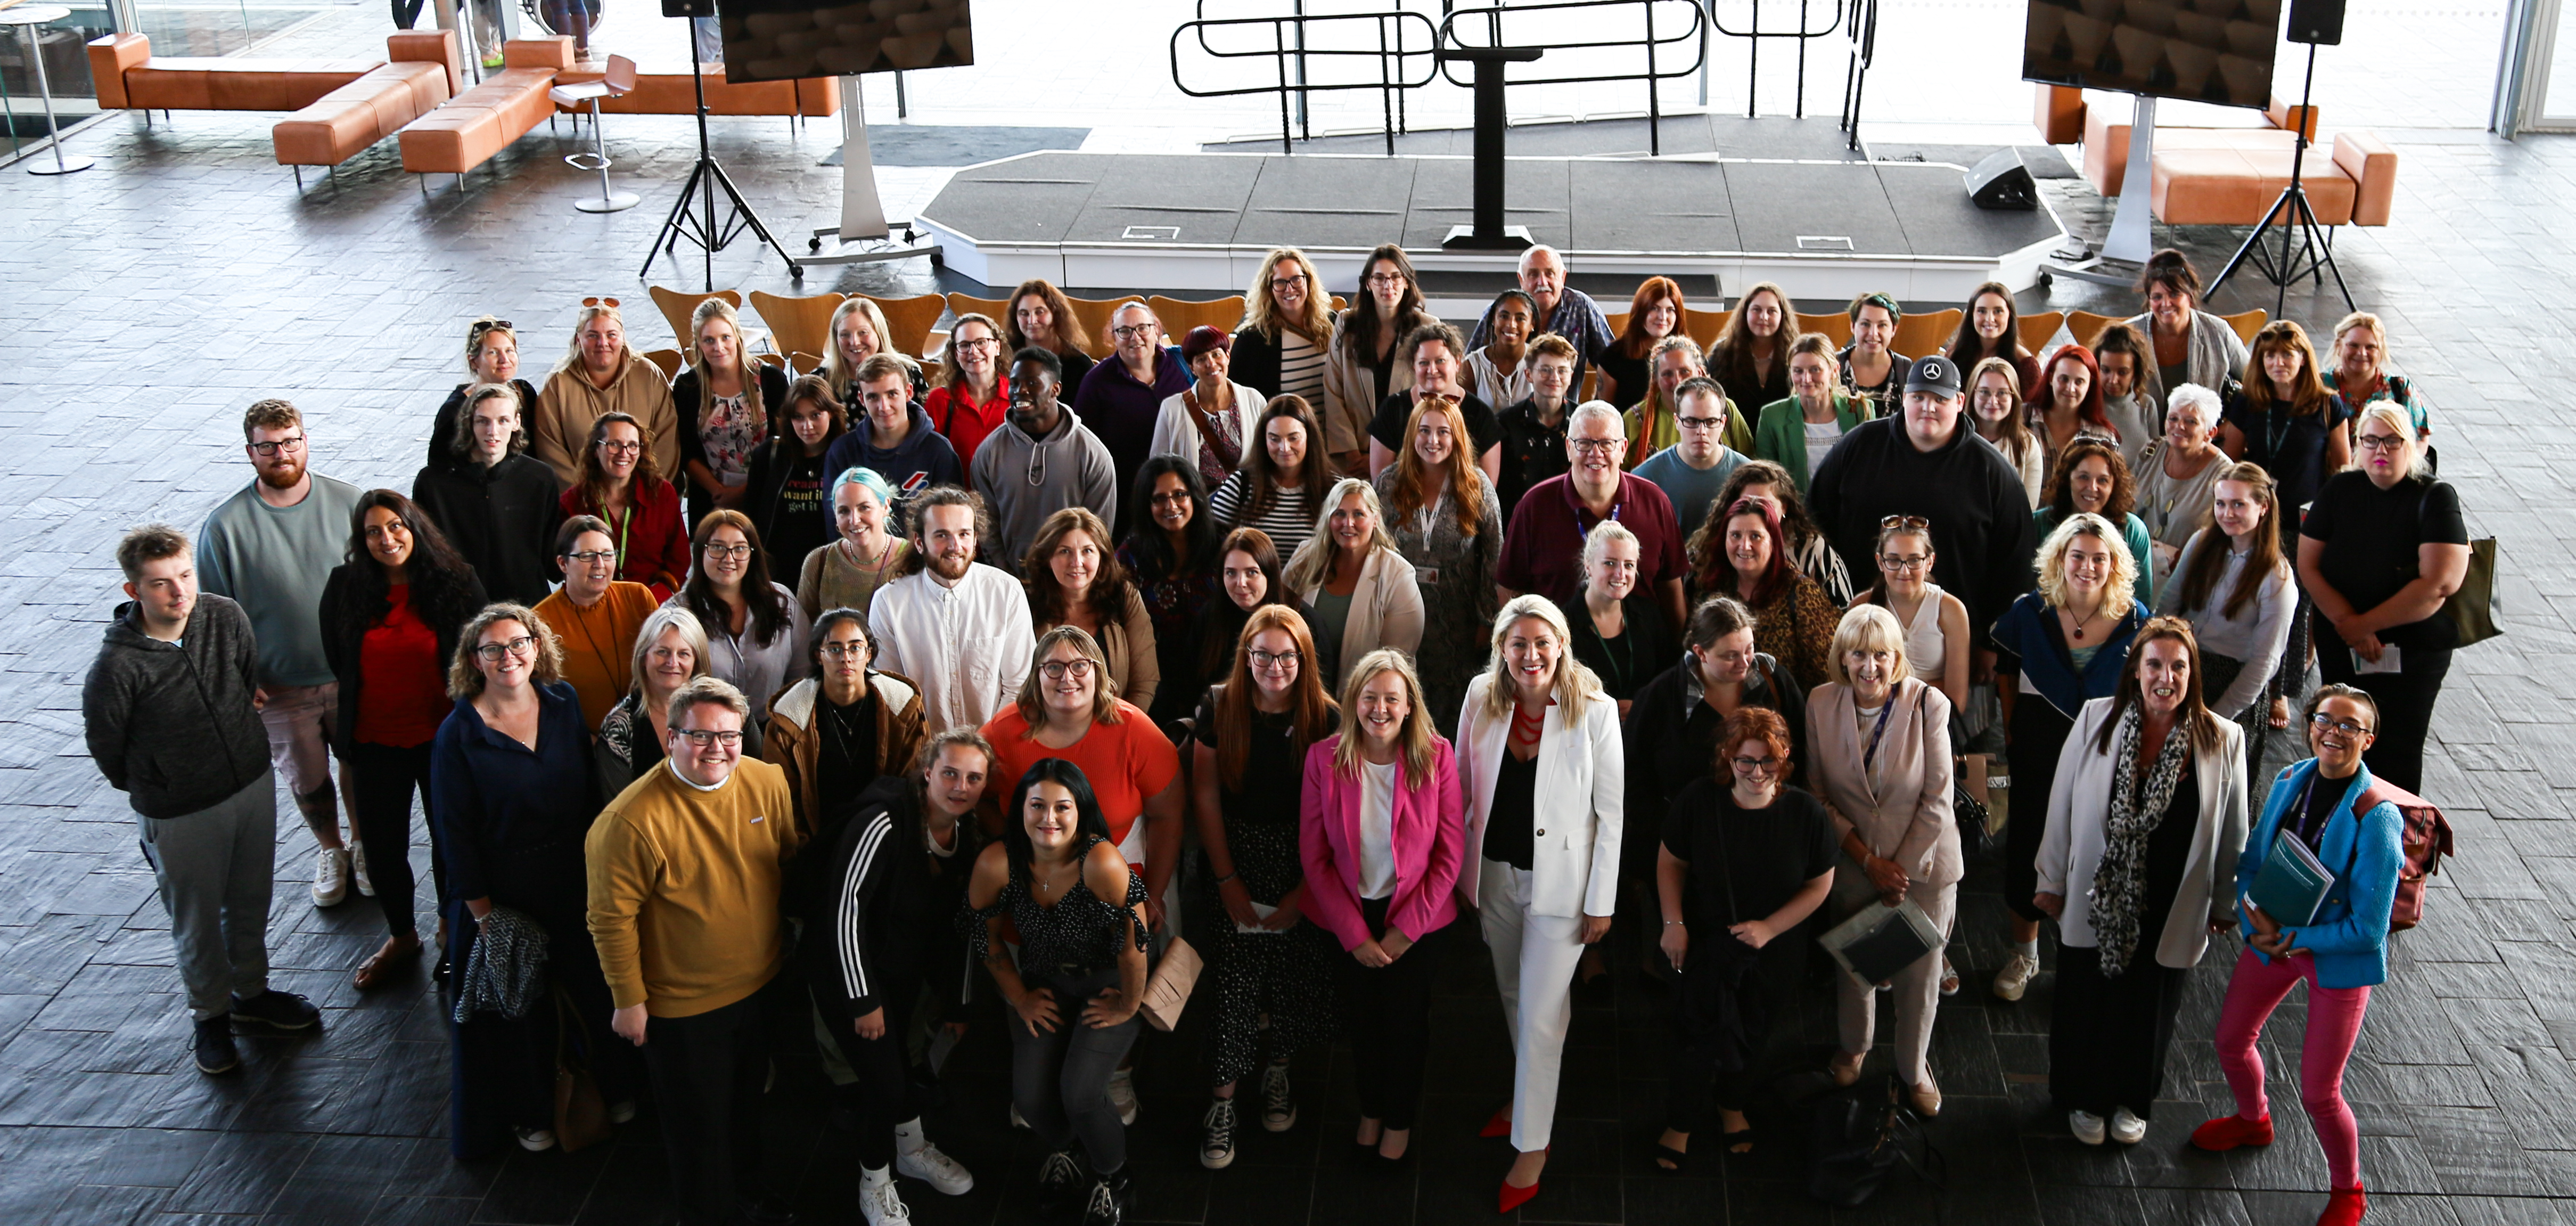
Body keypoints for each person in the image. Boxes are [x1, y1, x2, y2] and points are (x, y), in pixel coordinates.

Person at [84, 525, 321, 1076]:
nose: (179, 593)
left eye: (185, 576)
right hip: (180, 810)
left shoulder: (224, 617)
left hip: (249, 784)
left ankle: (251, 995)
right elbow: (108, 747)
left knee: (249, 898)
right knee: (196, 921)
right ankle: (209, 1017)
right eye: (161, 584)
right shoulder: (117, 668)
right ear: (133, 591)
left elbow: (242, 681)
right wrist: (164, 782)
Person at [586, 677, 799, 1226]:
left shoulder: (767, 781)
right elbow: (610, 920)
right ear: (670, 737)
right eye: (700, 735)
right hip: (682, 1007)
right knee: (696, 1129)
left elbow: (785, 860)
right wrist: (628, 1000)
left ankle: (748, 1191)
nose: (717, 749)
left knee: (748, 1107)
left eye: (729, 735)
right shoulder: (627, 822)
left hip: (761, 982)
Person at [2189, 684, 2402, 1226]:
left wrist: (2292, 940)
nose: (2332, 730)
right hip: (2276, 937)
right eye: (2323, 718)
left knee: (2318, 1091)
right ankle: (2252, 1119)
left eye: (2348, 725)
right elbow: (2252, 862)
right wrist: (2247, 916)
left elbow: (2367, 930)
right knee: (2230, 1041)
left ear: (2367, 739)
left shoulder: (2377, 817)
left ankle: (2347, 1187)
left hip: (2330, 953)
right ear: (2310, 724)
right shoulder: (2290, 778)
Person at [2034, 617, 2249, 1147]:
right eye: (2154, 663)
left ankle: (2132, 1098)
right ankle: (2081, 1096)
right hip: (2097, 893)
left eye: (2178, 666)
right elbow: (2060, 805)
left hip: (2173, 900)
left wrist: (2225, 901)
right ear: (2135, 669)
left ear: (2192, 674)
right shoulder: (2093, 720)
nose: (2166, 676)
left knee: (2148, 1006)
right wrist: (2049, 878)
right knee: (2086, 996)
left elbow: (2233, 830)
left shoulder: (2222, 739)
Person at [432, 604, 635, 1156]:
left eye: (518, 643)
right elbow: (454, 832)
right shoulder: (458, 734)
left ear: (537, 645)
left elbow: (591, 793)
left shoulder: (562, 701)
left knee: (596, 988)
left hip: (574, 876)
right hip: (504, 893)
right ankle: (530, 1112)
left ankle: (613, 1087)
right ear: (474, 660)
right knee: (521, 1011)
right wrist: (483, 915)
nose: (508, 657)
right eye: (493, 648)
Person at [1456, 595, 1623, 1212]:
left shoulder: (1596, 709)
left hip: (1563, 888)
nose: (1530, 656)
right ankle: (1528, 1092)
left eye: (1541, 643)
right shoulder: (1480, 696)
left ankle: (1532, 1144)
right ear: (1501, 647)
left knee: (1542, 1014)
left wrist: (1600, 899)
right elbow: (1458, 783)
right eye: (1517, 644)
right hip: (1494, 875)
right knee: (1510, 995)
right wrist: (1459, 874)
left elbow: (1612, 814)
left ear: (1560, 645)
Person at [799, 730, 988, 1223]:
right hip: (847, 968)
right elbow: (843, 911)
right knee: (881, 1083)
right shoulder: (883, 821)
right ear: (928, 772)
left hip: (898, 968)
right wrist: (863, 999)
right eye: (949, 772)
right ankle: (875, 1182)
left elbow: (966, 926)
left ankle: (912, 1149)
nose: (960, 786)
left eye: (974, 778)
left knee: (900, 1069)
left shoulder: (967, 837)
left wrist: (959, 1005)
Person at [962, 757, 1151, 1223]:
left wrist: (1128, 1003)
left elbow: (1136, 945)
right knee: (1029, 1100)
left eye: (1062, 807)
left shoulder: (1101, 861)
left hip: (1107, 981)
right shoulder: (998, 861)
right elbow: (983, 938)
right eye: (1037, 806)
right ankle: (1067, 1151)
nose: (1049, 819)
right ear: (1020, 811)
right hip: (1043, 981)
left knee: (1081, 1093)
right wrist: (1019, 995)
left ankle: (1114, 1176)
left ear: (1080, 811)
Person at [1188, 606, 1343, 1169]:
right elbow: (1204, 796)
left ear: (1303, 660)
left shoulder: (1326, 717)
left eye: (1285, 656)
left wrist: (1305, 889)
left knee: (1292, 973)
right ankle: (1222, 1102)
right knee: (1232, 981)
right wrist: (1227, 879)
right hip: (1234, 852)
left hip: (1302, 860)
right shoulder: (1216, 706)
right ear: (1244, 656)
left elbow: (1334, 813)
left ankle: (1277, 1069)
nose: (1273, 666)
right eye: (1261, 654)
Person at [197, 398, 366, 905]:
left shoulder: (350, 504)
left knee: (357, 761)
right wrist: (241, 681)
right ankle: (331, 848)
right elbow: (217, 619)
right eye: (268, 446)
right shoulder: (225, 528)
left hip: (350, 675)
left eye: (290, 441)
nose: (281, 454)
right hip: (280, 687)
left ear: (305, 441)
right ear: (251, 453)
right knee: (307, 777)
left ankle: (363, 846)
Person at [1299, 646, 1463, 1166]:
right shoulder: (1323, 758)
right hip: (1348, 917)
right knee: (1362, 1021)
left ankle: (1398, 1117)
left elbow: (1449, 851)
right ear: (1352, 701)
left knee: (1405, 1024)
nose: (1380, 709)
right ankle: (1370, 1107)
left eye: (1392, 698)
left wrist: (1405, 932)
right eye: (1369, 697)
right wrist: (1355, 935)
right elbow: (1314, 854)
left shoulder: (1436, 755)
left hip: (1417, 918)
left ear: (1410, 705)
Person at [319, 490, 489, 990]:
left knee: (448, 840)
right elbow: (339, 659)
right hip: (374, 741)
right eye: (373, 531)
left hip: (442, 741)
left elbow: (480, 659)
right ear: (361, 539)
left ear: (415, 528)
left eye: (396, 527)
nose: (387, 539)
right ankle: (401, 935)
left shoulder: (458, 582)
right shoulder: (345, 586)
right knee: (383, 847)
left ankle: (446, 926)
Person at [1652, 706, 1834, 1165]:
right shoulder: (1699, 801)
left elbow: (1820, 883)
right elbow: (1670, 863)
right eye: (1746, 762)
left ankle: (1731, 1106)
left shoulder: (1806, 813)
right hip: (1707, 944)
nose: (1757, 772)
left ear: (1785, 758)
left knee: (1756, 1032)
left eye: (1768, 762)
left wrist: (1769, 929)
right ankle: (1681, 1120)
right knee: (1692, 1036)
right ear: (1727, 759)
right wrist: (1673, 924)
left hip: (1774, 950)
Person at [1989, 513, 2148, 1002]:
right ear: (2059, 559)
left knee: (2095, 854)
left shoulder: (2138, 619)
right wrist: (2015, 732)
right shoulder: (2028, 612)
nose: (2088, 566)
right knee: (2029, 850)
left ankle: (2083, 957)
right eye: (2077, 555)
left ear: (2116, 563)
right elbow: (2007, 676)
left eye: (2100, 558)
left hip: (2106, 759)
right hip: (2038, 753)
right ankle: (2025, 954)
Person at [1807, 604, 1957, 1115]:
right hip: (1855, 866)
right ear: (1842, 659)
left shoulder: (1928, 704)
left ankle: (1914, 1069)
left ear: (1897, 659)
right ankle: (1855, 1047)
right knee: (1856, 968)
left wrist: (1900, 871)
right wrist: (1870, 864)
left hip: (1925, 868)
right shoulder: (1820, 703)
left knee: (1920, 977)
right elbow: (1819, 797)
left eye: (1881, 655)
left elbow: (1938, 800)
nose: (1869, 667)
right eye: (1858, 655)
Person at [1809, 355, 2038, 656]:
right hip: (1860, 633)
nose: (1928, 408)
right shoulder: (1859, 447)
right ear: (1904, 398)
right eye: (1919, 397)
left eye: (1939, 399)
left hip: (1953, 643)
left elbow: (2016, 564)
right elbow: (1814, 524)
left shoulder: (1992, 471)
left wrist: (1991, 644)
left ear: (1959, 402)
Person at [2298, 403, 2468, 794]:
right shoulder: (2340, 488)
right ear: (2358, 445)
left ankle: (2394, 840)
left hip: (2412, 652)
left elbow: (2441, 582)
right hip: (2343, 641)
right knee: (2339, 740)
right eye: (2371, 440)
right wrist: (2349, 625)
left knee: (2397, 749)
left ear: (2411, 446)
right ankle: (2335, 833)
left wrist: (2366, 626)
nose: (2381, 450)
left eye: (2392, 441)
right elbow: (2309, 565)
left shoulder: (2435, 496)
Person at [2157, 462, 2298, 797]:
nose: (2227, 513)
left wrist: (2214, 717)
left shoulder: (2276, 578)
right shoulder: (2201, 542)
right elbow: (2170, 602)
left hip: (2231, 685)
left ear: (2263, 508)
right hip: (2183, 668)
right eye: (2221, 503)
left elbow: (2265, 663)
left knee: (2209, 792)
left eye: (2238, 504)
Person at [1372, 397, 1502, 734]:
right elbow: (1372, 548)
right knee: (1400, 701)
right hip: (1398, 615)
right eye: (1425, 431)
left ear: (1457, 436)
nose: (1433, 440)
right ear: (1412, 435)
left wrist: (1487, 620)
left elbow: (1494, 556)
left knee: (1451, 713)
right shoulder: (1389, 483)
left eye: (1443, 432)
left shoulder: (1477, 485)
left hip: (1458, 620)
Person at [1496, 401, 1688, 631]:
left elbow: (1670, 586)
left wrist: (1678, 648)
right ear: (1568, 448)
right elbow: (1510, 588)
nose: (1595, 454)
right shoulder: (1534, 506)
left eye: (1607, 443)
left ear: (1623, 449)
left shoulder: (1654, 502)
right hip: (1559, 656)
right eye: (1584, 443)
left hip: (1641, 655)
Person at [869, 486, 1035, 733]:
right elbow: (892, 694)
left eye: (964, 534)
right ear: (919, 542)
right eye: (942, 535)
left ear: (976, 539)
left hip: (996, 748)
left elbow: (1020, 684)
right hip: (923, 754)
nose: (955, 546)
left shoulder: (1006, 592)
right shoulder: (889, 603)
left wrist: (984, 745)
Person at [764, 607, 929, 846]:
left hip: (887, 837)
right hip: (816, 842)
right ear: (818, 656)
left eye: (855, 647)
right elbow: (782, 800)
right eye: (834, 649)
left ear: (869, 653)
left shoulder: (903, 707)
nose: (846, 658)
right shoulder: (788, 718)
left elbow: (913, 784)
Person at [973, 347, 1121, 577]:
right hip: (1012, 580)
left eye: (1032, 383)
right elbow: (987, 525)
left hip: (1072, 580)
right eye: (1014, 384)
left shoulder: (1093, 454)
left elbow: (1098, 531)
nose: (1020, 391)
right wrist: (1006, 574)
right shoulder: (988, 452)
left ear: (1055, 389)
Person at [413, 381, 563, 606]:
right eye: (483, 421)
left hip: (526, 605)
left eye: (503, 421)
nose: (493, 432)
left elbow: (552, 556)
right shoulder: (433, 484)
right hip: (458, 605)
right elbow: (423, 556)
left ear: (516, 423)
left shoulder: (539, 478)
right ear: (469, 424)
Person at [670, 511, 808, 749]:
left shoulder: (782, 601)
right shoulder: (678, 612)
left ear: (753, 554)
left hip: (775, 736)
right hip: (703, 739)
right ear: (700, 552)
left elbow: (804, 677)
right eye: (717, 547)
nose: (729, 558)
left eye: (740, 548)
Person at [1283, 478, 1425, 690]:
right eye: (1339, 514)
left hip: (1363, 698)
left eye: (1358, 514)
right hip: (1299, 690)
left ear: (1375, 519)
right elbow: (1278, 619)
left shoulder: (1398, 575)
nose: (1347, 523)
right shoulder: (1304, 557)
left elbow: (1397, 662)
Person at [2220, 320, 2355, 543]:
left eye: (2287, 355)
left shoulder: (2327, 404)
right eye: (2270, 356)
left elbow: (2343, 471)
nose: (2278, 363)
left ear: (2303, 359)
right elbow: (2230, 463)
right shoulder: (2248, 401)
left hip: (2306, 520)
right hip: (2254, 517)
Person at [1689, 495, 1837, 691]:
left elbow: (1826, 676)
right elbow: (1694, 662)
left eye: (1755, 536)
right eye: (1735, 535)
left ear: (1773, 541)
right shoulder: (1710, 589)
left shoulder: (1801, 593)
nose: (1745, 546)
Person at [670, 298, 792, 529]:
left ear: (738, 337)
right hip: (712, 497)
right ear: (698, 343)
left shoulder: (771, 380)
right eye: (709, 340)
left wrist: (744, 492)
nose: (719, 347)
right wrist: (720, 492)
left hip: (765, 491)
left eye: (725, 337)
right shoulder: (688, 387)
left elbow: (783, 444)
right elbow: (686, 450)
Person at [1022, 507, 1160, 711]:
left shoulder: (1124, 596)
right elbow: (1020, 686)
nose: (1076, 562)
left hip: (1118, 724)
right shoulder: (1026, 604)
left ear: (1102, 557)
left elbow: (1145, 683)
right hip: (1047, 728)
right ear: (1047, 559)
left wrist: (1118, 731)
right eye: (1064, 551)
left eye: (1087, 551)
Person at [531, 299, 680, 487]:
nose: (603, 343)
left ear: (623, 337)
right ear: (579, 339)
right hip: (582, 501)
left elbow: (666, 443)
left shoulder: (650, 375)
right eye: (593, 336)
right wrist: (587, 498)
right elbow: (550, 450)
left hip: (646, 496)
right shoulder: (558, 384)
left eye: (611, 335)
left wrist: (643, 493)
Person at [1118, 458, 1221, 728]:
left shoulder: (1223, 546)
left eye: (1179, 495)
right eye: (1159, 499)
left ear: (1195, 497)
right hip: (1153, 683)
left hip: (1216, 676)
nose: (1171, 506)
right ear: (1146, 505)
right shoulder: (1131, 556)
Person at [533, 516, 660, 731]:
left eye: (608, 555)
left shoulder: (638, 596)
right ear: (563, 563)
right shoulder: (539, 621)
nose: (600, 565)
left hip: (647, 729)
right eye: (588, 556)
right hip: (582, 741)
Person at [1323, 244, 1433, 473]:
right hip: (1352, 459)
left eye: (1395, 277)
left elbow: (1431, 397)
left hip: (1407, 457)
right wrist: (1353, 455)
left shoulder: (1427, 327)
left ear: (1406, 282)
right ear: (1368, 283)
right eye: (1380, 278)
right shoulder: (1346, 324)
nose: (1388, 285)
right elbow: (1333, 392)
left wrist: (1388, 456)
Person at [1072, 301, 1191, 514]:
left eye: (1143, 328)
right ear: (1114, 337)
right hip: (1126, 497)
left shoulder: (1181, 365)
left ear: (1157, 331)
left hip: (1183, 490)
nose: (1135, 338)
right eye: (1125, 331)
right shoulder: (1096, 383)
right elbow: (1082, 446)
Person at [822, 353, 966, 524]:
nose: (884, 406)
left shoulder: (939, 451)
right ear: (862, 399)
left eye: (892, 394)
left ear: (909, 392)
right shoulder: (842, 452)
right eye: (873, 397)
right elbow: (835, 521)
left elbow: (952, 519)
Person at [559, 412, 690, 599]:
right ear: (596, 450)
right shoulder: (572, 502)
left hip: (651, 601)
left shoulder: (662, 494)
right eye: (614, 444)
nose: (624, 453)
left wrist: (655, 598)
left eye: (633, 446)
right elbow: (566, 565)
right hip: (592, 601)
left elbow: (680, 559)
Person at [1851, 516, 1971, 713]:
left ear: (1930, 562)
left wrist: (1887, 690)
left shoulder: (1951, 609)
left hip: (1932, 718)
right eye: (1894, 560)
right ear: (1880, 562)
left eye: (1914, 560)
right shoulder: (1861, 606)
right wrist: (1931, 685)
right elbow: (1854, 685)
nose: (1904, 571)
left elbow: (1956, 699)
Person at [594, 606, 708, 797]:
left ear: (696, 661)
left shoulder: (725, 710)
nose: (672, 663)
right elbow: (619, 809)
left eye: (683, 654)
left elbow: (756, 772)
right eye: (662, 652)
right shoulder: (619, 727)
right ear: (643, 657)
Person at [1710, 459, 1858, 607]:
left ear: (1785, 508)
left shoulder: (1811, 549)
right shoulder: (1716, 543)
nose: (1756, 512)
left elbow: (1845, 611)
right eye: (1747, 503)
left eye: (1766, 505)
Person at [1366, 322, 1500, 483]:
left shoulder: (1481, 414)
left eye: (1440, 361)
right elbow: (1382, 484)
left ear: (1458, 363)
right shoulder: (1393, 409)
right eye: (1424, 363)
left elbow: (1487, 490)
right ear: (1414, 366)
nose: (1432, 370)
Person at [2033, 437, 2156, 608]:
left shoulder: (2134, 530)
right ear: (2067, 479)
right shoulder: (2038, 523)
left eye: (2103, 480)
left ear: (2115, 486)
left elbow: (2141, 599)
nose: (2092, 487)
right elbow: (2023, 585)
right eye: (2083, 477)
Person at [1186, 527, 1303, 708]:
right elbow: (1192, 683)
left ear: (1269, 574)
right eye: (1231, 573)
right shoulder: (1209, 616)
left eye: (1252, 573)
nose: (1241, 583)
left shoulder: (1302, 620)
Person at [740, 375, 845, 574]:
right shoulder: (769, 455)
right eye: (799, 417)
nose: (808, 426)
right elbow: (750, 514)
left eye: (815, 415)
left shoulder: (846, 455)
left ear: (831, 413)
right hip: (777, 569)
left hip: (832, 569)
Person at [2123, 249, 2250, 414]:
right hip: (2141, 437)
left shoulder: (2219, 332)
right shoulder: (2127, 336)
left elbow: (2256, 383)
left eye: (2174, 294)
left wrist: (2232, 426)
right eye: (2157, 297)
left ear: (2190, 296)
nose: (2166, 303)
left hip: (2206, 437)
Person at [1570, 522, 1676, 717]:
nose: (1620, 574)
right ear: (1589, 566)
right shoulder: (1563, 625)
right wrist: (1605, 711)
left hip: (1645, 726)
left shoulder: (1650, 615)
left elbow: (1670, 678)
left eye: (1629, 565)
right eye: (1609, 563)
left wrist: (1642, 706)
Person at [1207, 395, 1331, 560]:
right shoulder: (1240, 484)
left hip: (1311, 585)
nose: (1284, 448)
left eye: (1293, 438)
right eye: (1275, 439)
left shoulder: (1333, 488)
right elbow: (1209, 542)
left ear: (1310, 437)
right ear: (1263, 440)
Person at [1151, 325, 1267, 494]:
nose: (1211, 364)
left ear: (1228, 357)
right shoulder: (1172, 408)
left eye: (1216, 355)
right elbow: (1158, 465)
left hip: (1247, 499)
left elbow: (1267, 455)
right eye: (1201, 359)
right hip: (1196, 503)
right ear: (1192, 368)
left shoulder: (1254, 400)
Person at [2132, 383, 2228, 586]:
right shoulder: (2151, 450)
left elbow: (2223, 540)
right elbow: (2125, 502)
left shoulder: (2224, 475)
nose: (2179, 426)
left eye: (2191, 422)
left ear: (2210, 432)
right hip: (2131, 571)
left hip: (2184, 582)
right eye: (2173, 418)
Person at [1465, 244, 1616, 374]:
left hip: (1565, 406)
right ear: (1521, 280)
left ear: (1563, 278)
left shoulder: (1582, 307)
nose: (1542, 282)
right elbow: (1468, 367)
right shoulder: (1498, 312)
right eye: (1533, 274)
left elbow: (1612, 365)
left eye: (1550, 274)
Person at [1753, 333, 1871, 496]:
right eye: (1798, 371)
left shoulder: (1860, 411)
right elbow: (1766, 482)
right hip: (1796, 515)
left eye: (1815, 370)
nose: (1806, 379)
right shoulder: (1772, 417)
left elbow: (1871, 472)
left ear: (1835, 370)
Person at [1632, 375, 1750, 535]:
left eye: (1710, 422)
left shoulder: (1748, 476)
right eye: (1692, 421)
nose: (1701, 432)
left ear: (1723, 423)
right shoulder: (1646, 478)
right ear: (1677, 422)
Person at [797, 467, 912, 621]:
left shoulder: (913, 558)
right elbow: (802, 635)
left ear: (885, 507)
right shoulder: (819, 563)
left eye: (864, 508)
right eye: (844, 511)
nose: (854, 520)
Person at [428, 316, 540, 472]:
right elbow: (439, 468)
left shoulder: (524, 393)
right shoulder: (454, 410)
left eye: (509, 351)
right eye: (494, 353)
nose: (504, 360)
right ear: (474, 361)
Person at [1226, 248, 1334, 406]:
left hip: (1334, 429)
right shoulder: (1252, 339)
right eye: (1280, 282)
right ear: (1269, 288)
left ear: (1308, 281)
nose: (1289, 289)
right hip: (1280, 430)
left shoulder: (1333, 324)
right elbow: (1238, 401)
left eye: (1296, 279)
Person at [1496, 332, 1579, 515]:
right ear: (1529, 374)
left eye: (1562, 370)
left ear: (1571, 376)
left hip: (1569, 518)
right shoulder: (1504, 423)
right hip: (1518, 519)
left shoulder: (1583, 423)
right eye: (1546, 370)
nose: (1555, 377)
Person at [2321, 310, 2432, 444]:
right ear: (2339, 346)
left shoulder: (2400, 389)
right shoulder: (2318, 386)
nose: (2361, 353)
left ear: (2381, 351)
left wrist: (2406, 464)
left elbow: (2421, 437)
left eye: (2370, 347)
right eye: (2353, 345)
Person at [2030, 342, 2137, 471]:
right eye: (2064, 379)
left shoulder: (2103, 437)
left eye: (2079, 382)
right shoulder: (2023, 419)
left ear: (2090, 385)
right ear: (2051, 378)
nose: (2070, 389)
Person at [925, 311, 1010, 470]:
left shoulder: (1017, 397)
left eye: (981, 342)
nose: (974, 351)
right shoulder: (940, 400)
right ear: (956, 354)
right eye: (964, 345)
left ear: (997, 347)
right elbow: (930, 458)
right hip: (958, 493)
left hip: (1008, 493)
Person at [1621, 334, 1720, 468]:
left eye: (1685, 371)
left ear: (1700, 373)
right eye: (1667, 374)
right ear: (1656, 379)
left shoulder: (1725, 409)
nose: (1678, 381)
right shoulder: (1635, 419)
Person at [1964, 356, 2045, 505]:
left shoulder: (2028, 446)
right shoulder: (1953, 437)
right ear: (1973, 394)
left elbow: (2027, 511)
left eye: (2002, 393)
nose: (1993, 401)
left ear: (2014, 397)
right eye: (1984, 392)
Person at [1940, 280, 2044, 396]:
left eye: (1998, 311)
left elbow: (2032, 411)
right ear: (1971, 316)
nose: (1990, 319)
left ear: (2010, 316)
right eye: (1982, 311)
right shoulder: (1956, 353)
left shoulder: (2025, 364)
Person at [824, 296, 928, 410]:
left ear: (879, 334)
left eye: (863, 332)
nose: (854, 342)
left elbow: (926, 423)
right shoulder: (823, 379)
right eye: (845, 335)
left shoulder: (910, 374)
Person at [1597, 276, 1686, 408]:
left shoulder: (1690, 355)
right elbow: (1606, 412)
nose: (1662, 317)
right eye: (1654, 309)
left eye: (1670, 310)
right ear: (1641, 311)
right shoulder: (1613, 356)